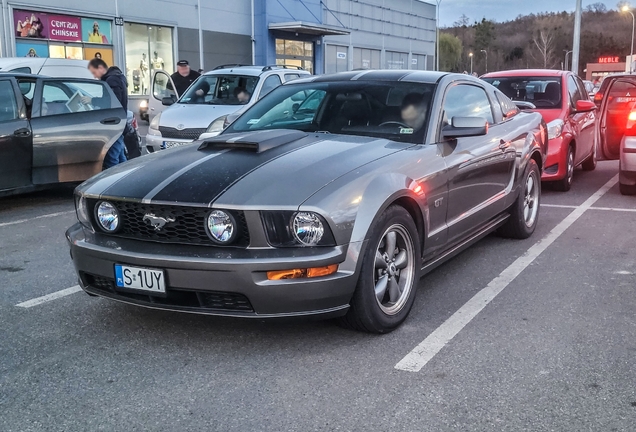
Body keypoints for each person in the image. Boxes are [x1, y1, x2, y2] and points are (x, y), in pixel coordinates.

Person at [82, 58, 128, 169]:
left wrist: (92, 100)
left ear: (101, 68)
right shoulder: (117, 77)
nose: (94, 76)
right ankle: (127, 178)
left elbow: (113, 100)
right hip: (120, 121)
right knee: (120, 156)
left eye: (94, 72)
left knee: (112, 158)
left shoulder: (111, 80)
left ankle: (112, 182)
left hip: (114, 123)